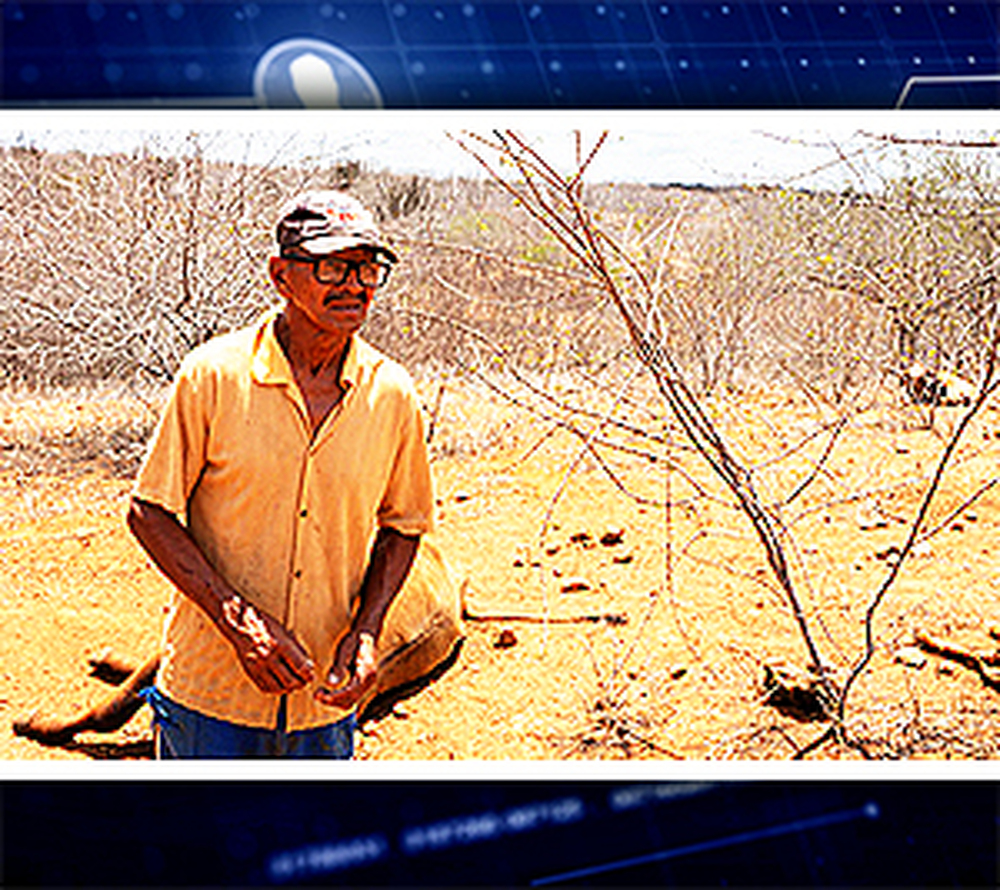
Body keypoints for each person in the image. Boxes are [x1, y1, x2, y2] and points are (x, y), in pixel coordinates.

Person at [127, 190, 435, 758]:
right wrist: (238, 623)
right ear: (281, 275)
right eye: (331, 266)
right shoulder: (213, 375)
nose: (354, 284)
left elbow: (405, 525)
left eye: (367, 267)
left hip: (326, 704)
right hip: (210, 700)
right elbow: (148, 511)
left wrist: (366, 632)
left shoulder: (393, 393)